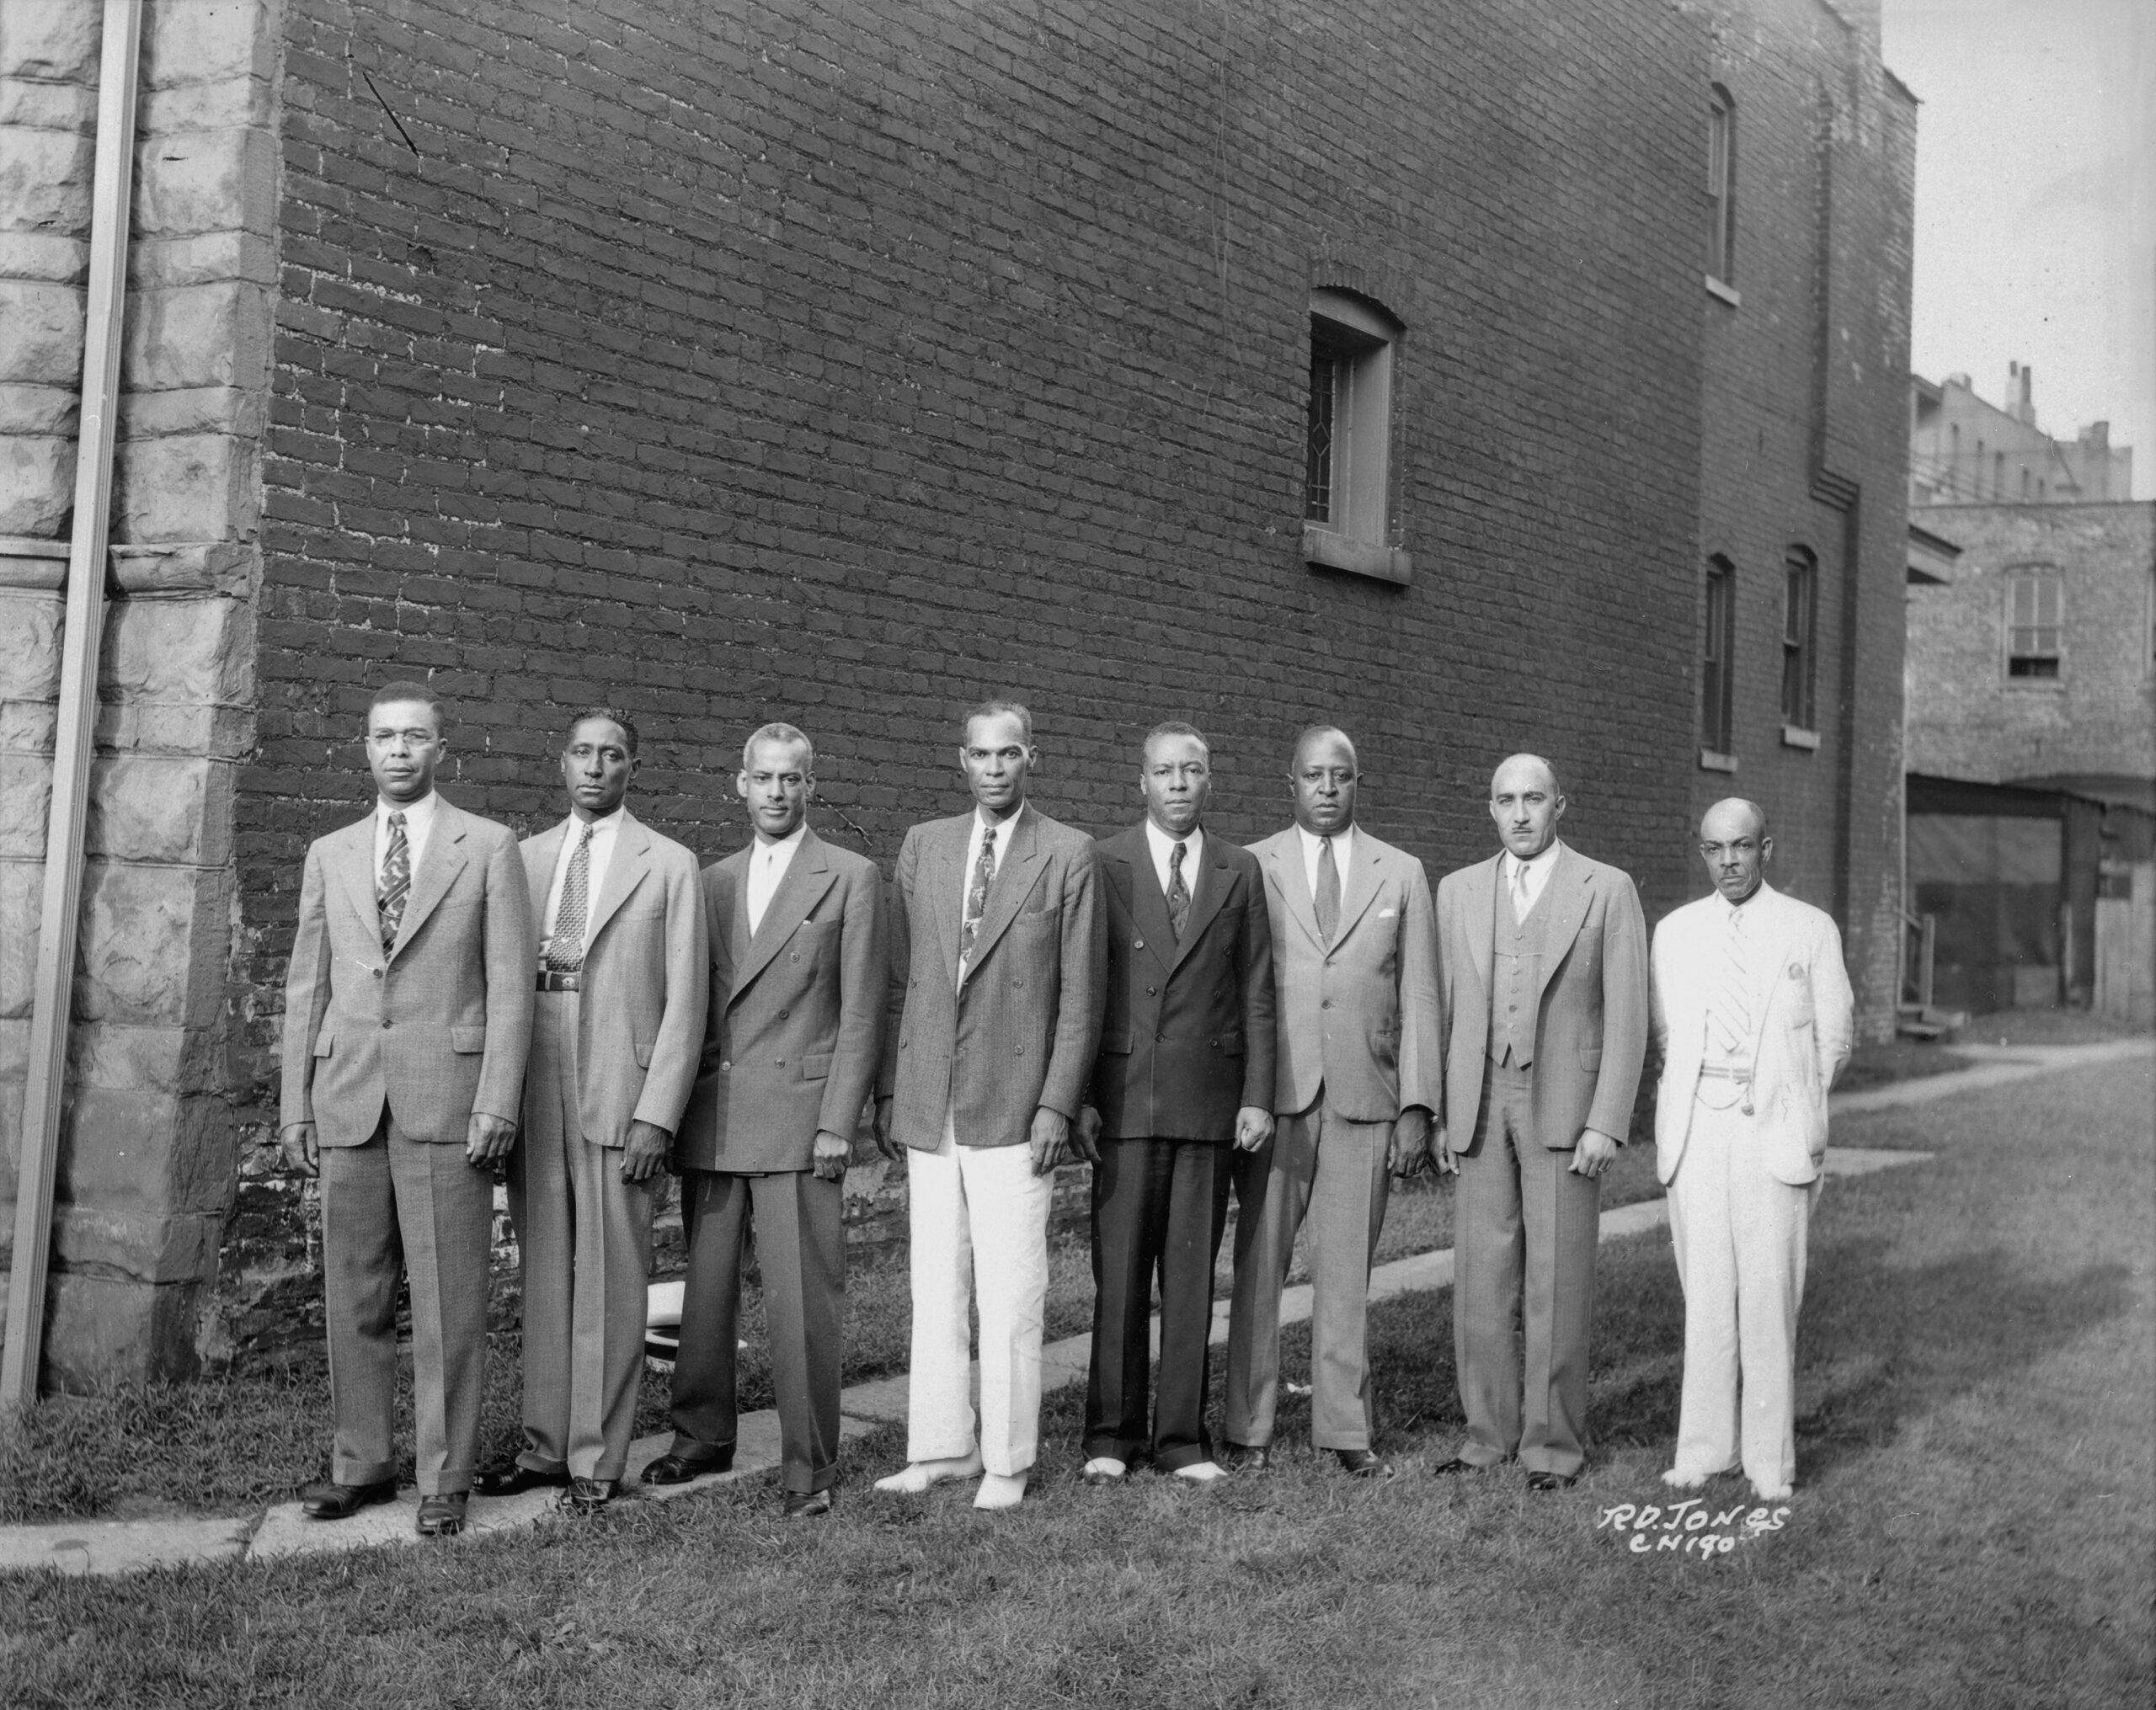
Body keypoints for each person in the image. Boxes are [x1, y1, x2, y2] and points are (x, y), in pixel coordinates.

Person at [279, 680, 535, 1537]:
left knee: (448, 1299)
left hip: (447, 1101)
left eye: (415, 737)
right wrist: (295, 1107)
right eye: (384, 736)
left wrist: (498, 1097)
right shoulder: (332, 852)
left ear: (439, 749)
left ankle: (444, 1474)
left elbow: (509, 989)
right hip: (348, 1095)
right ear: (365, 747)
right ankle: (362, 1463)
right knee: (353, 1294)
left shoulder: (487, 848)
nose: (399, 750)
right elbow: (305, 983)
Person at [642, 724, 885, 1518]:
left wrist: (837, 1120)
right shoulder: (707, 881)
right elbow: (688, 1007)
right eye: (764, 778)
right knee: (706, 1289)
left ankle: (807, 1464)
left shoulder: (849, 876)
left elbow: (860, 1011)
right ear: (738, 784)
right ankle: (700, 1436)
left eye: (792, 779)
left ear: (811, 787)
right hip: (716, 1113)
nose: (777, 792)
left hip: (801, 1117)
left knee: (803, 1298)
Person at [873, 701, 1105, 1510]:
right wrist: (896, 1089)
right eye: (981, 755)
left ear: (1031, 759)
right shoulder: (925, 846)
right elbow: (908, 982)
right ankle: (942, 1446)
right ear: (961, 761)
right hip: (932, 1097)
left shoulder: (1068, 853)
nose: (995, 768)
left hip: (1016, 1101)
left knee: (1011, 1289)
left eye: (1010, 754)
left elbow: (1081, 995)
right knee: (935, 1284)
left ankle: (1007, 1458)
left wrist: (1056, 1103)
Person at [478, 709, 706, 1514]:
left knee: (612, 1274)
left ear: (632, 768)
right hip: (538, 1070)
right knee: (543, 1269)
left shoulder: (669, 865)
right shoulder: (522, 858)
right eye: (581, 752)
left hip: (620, 1078)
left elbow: (687, 1003)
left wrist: (659, 1114)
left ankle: (596, 1459)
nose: (595, 768)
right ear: (561, 761)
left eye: (612, 756)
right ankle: (544, 1445)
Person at [1224, 726, 1441, 1478]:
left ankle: (1344, 1429)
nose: (1326, 789)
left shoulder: (1402, 872)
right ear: (1290, 783)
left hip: (1364, 1093)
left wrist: (1418, 1103)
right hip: (1275, 1096)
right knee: (1259, 1263)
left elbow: (1419, 992)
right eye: (1312, 775)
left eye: (1340, 776)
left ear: (1357, 783)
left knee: (1347, 1267)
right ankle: (1247, 1427)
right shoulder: (1253, 863)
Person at [1433, 753, 1648, 1489]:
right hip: (1480, 1100)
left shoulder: (1606, 887)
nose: (1519, 813)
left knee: (1557, 1279)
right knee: (1481, 1277)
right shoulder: (1458, 889)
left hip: (1565, 1101)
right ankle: (1485, 1436)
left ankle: (1552, 1445)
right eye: (1504, 800)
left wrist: (1606, 1121)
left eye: (1533, 798)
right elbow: (1444, 1009)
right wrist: (1440, 1109)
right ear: (1489, 808)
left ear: (1562, 803)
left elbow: (1628, 1016)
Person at [1078, 722, 1274, 1486]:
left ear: (1210, 780)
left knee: (1191, 1275)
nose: (1179, 784)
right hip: (1127, 1097)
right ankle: (1111, 1434)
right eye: (1164, 772)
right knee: (1119, 1272)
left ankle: (1182, 1439)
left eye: (1192, 770)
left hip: (1208, 1101)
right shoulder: (1106, 861)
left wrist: (1257, 1096)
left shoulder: (1239, 868)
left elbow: (1259, 989)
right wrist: (1085, 1099)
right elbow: (1088, 988)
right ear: (1143, 783)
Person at [1650, 798, 1853, 1500]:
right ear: (1700, 851)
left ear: (1767, 847)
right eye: (1714, 848)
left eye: (1741, 846)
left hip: (1774, 1130)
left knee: (1768, 1294)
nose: (1728, 861)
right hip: (1699, 1126)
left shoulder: (1807, 928)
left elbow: (1834, 1034)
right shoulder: (1676, 932)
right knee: (1706, 1291)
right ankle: (1706, 1449)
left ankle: (1770, 1461)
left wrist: (1795, 1101)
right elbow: (1671, 1034)